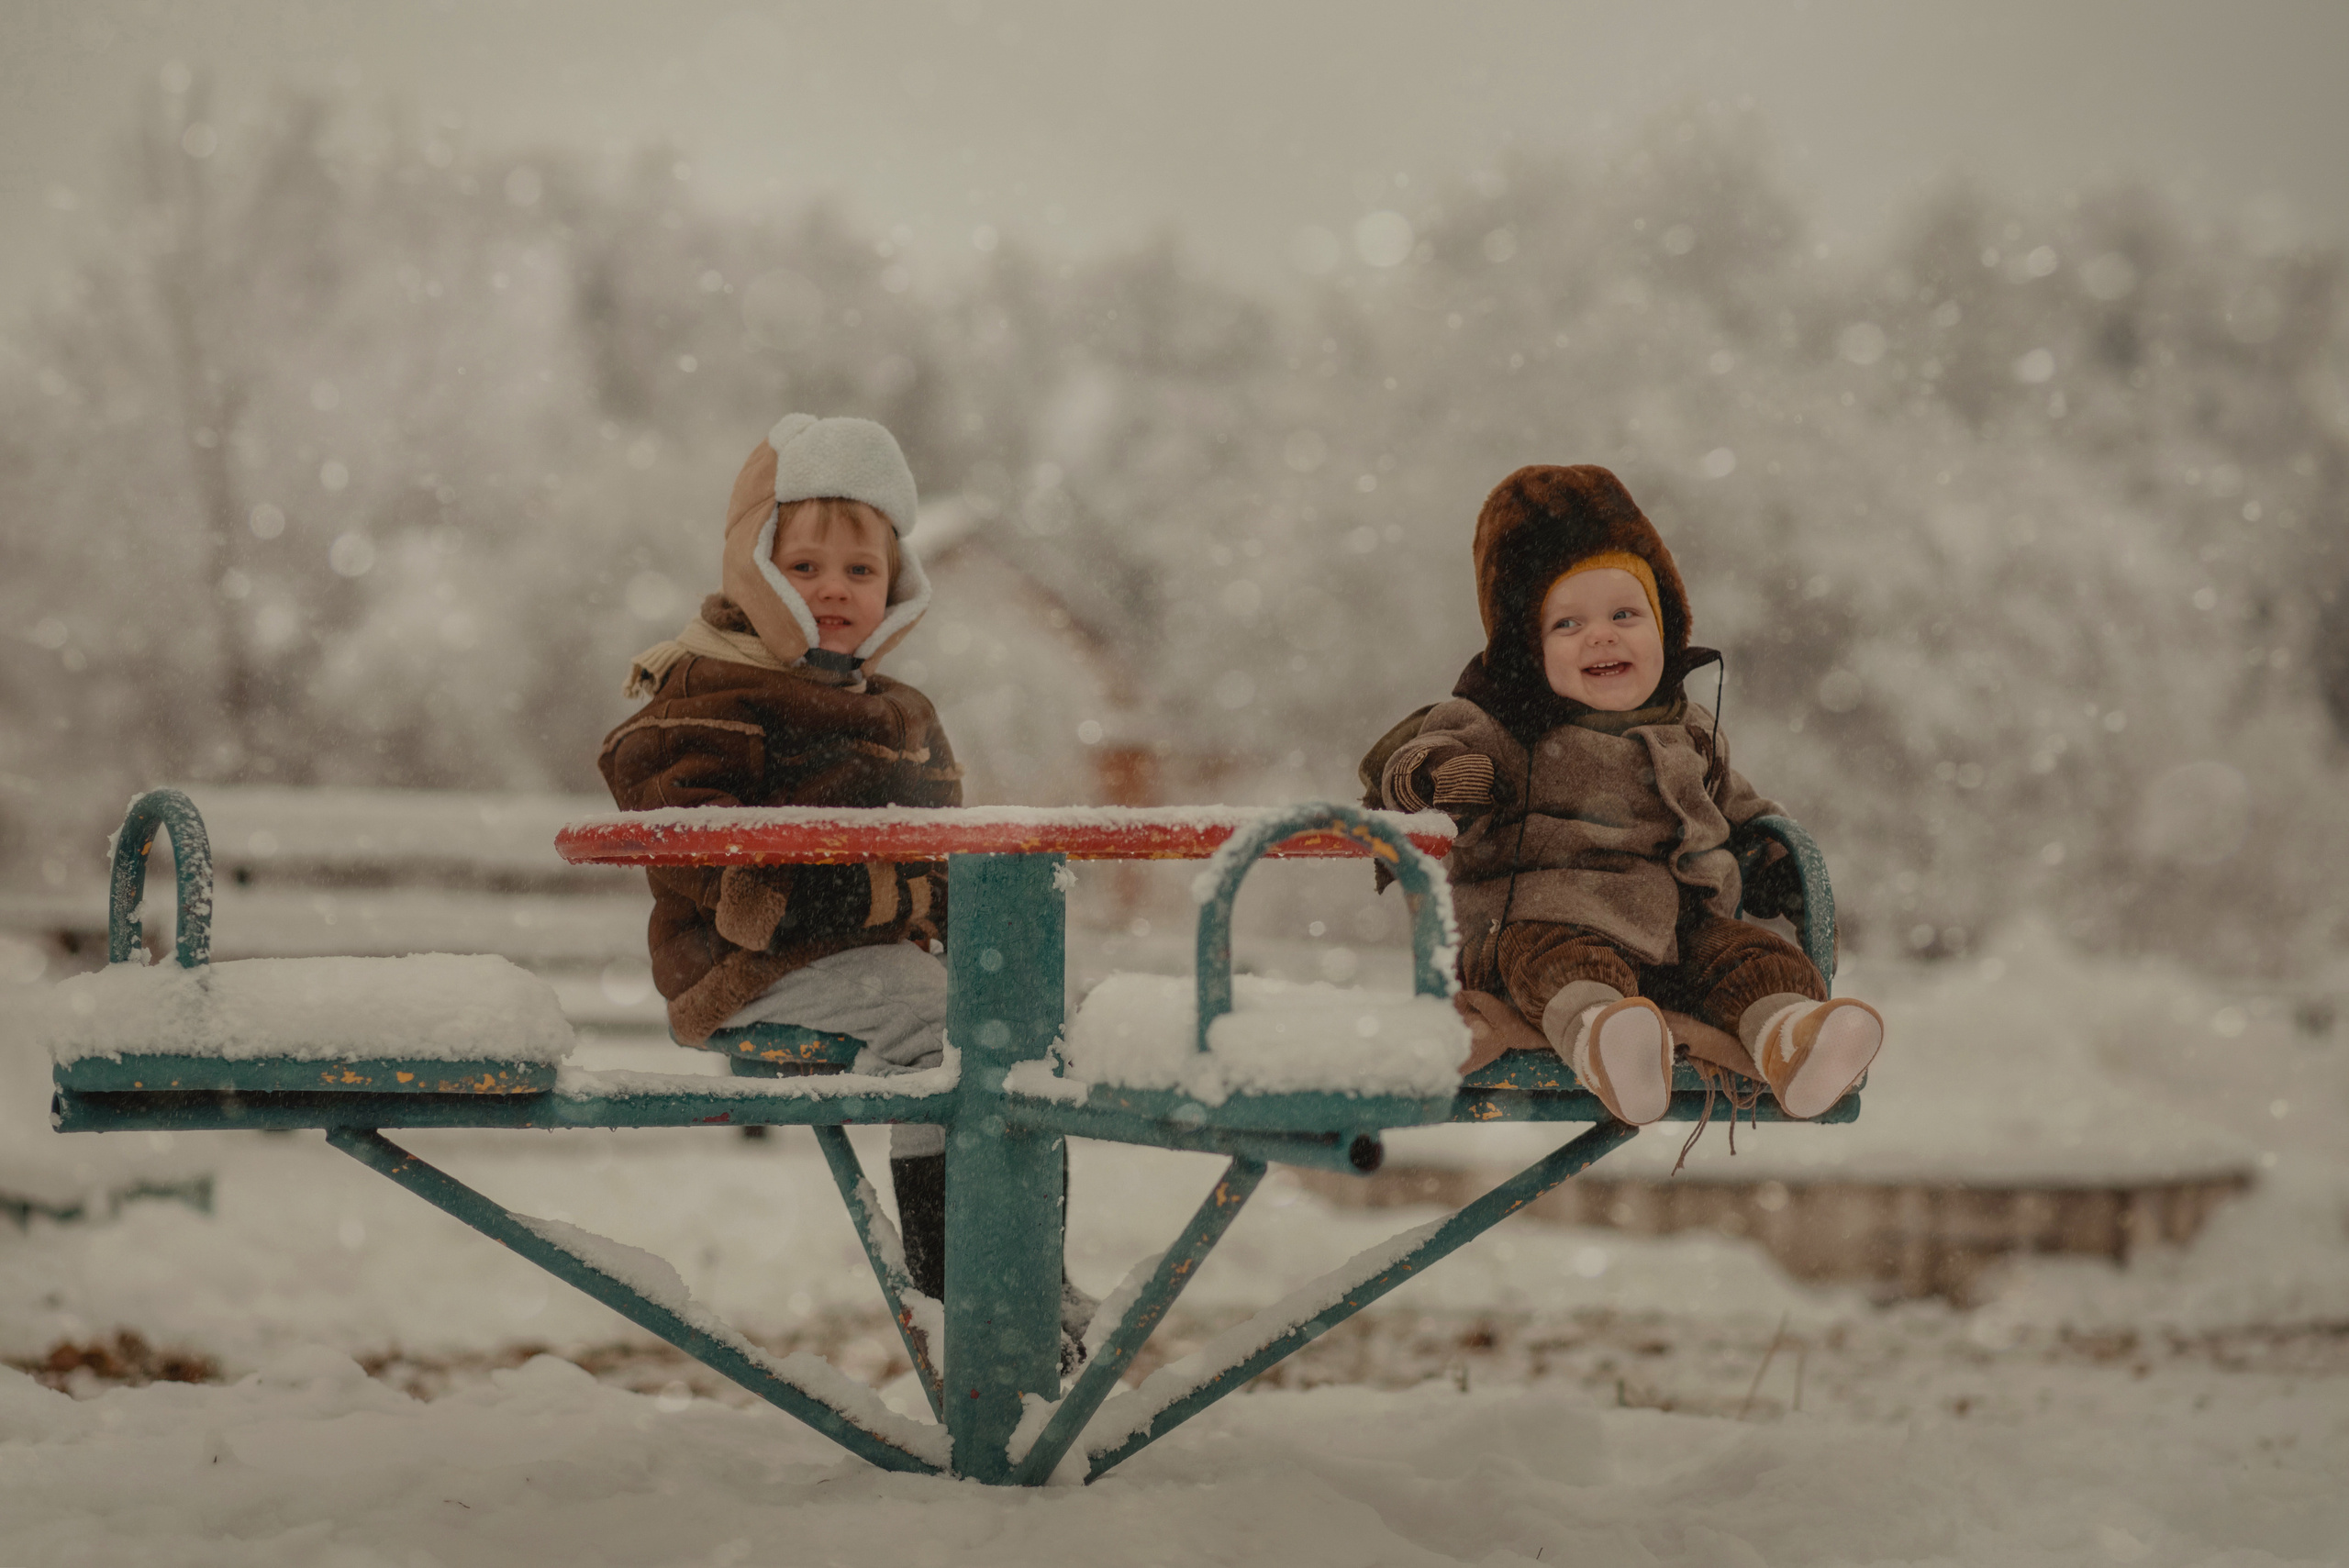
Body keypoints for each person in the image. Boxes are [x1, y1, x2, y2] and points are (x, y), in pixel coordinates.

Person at [1365, 464, 1883, 1126]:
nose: (1601, 634)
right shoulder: (1500, 722)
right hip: (1538, 923)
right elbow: (1408, 771)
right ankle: (1605, 1039)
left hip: (1679, 933)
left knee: (1749, 955)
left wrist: (1769, 859)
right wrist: (1440, 779)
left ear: (1663, 627)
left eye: (1624, 614)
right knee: (1560, 960)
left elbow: (1741, 807)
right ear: (1528, 649)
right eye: (1568, 624)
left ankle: (1793, 1039)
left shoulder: (1690, 730)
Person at [597, 415, 963, 1297]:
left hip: (867, 951)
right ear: (754, 567)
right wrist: (813, 888)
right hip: (746, 963)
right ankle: (963, 1281)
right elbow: (680, 821)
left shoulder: (900, 709)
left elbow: (950, 840)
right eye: (802, 567)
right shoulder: (708, 686)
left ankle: (1031, 1266)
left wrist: (954, 906)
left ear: (896, 584)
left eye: (860, 570)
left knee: (1019, 1019)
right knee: (945, 1029)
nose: (833, 590)